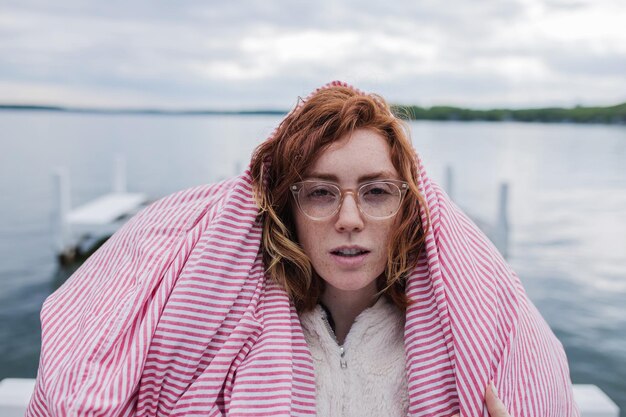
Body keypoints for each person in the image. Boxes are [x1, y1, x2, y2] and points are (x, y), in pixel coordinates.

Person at [27, 81, 578, 416]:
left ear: (408, 205)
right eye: (319, 192)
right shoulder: (232, 336)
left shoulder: (454, 340)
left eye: (376, 191)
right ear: (286, 207)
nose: (349, 219)